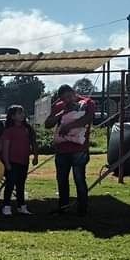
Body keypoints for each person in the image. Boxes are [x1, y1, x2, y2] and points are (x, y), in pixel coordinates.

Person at [44, 84, 96, 215]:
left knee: (79, 179)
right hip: (62, 149)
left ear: (74, 92)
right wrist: (61, 113)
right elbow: (48, 124)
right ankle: (63, 207)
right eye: (63, 98)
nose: (67, 100)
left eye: (68, 97)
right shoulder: (58, 106)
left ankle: (82, 208)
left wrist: (70, 126)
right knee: (62, 179)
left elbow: (88, 119)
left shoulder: (87, 102)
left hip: (79, 149)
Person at [1, 105, 38, 217]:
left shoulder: (27, 129)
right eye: (19, 113)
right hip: (12, 161)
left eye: (22, 113)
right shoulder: (9, 131)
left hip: (24, 161)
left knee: (21, 184)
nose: (22, 115)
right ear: (12, 116)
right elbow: (6, 147)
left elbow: (33, 143)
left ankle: (21, 206)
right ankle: (6, 206)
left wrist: (35, 156)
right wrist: (6, 162)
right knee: (10, 184)